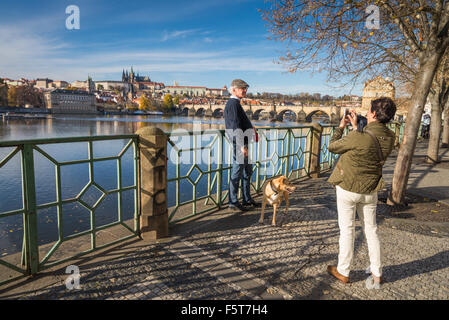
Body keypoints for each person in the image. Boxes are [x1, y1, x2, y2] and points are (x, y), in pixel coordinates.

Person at [326, 97, 397, 288]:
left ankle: (343, 271)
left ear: (373, 114)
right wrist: (357, 127)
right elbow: (368, 145)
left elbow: (333, 146)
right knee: (371, 230)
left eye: (368, 111)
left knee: (347, 230)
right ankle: (377, 272)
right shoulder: (391, 137)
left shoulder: (359, 136)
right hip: (370, 189)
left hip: (348, 188)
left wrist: (342, 127)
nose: (366, 114)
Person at [224, 79, 260, 212]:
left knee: (247, 171)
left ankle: (247, 198)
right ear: (233, 90)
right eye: (242, 88)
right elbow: (234, 126)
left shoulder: (236, 103)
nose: (244, 90)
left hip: (243, 142)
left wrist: (251, 127)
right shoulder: (233, 104)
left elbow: (240, 123)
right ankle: (233, 202)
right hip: (239, 143)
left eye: (245, 88)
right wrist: (241, 146)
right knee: (237, 172)